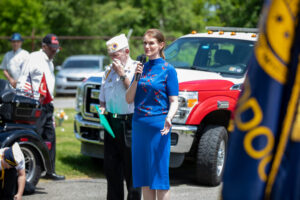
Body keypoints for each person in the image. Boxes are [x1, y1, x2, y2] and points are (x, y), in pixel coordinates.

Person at [126, 29, 179, 200]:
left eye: (151, 43)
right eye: (145, 43)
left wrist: (169, 118)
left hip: (159, 126)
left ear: (161, 45)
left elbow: (174, 101)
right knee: (145, 177)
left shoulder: (168, 70)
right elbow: (129, 99)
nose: (147, 46)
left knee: (159, 176)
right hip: (139, 125)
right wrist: (136, 77)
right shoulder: (140, 68)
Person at [16, 34, 65, 181]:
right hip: (35, 104)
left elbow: (49, 85)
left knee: (50, 137)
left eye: (56, 49)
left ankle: (50, 170)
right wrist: (24, 100)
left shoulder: (50, 62)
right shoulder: (34, 57)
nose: (54, 51)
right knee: (33, 136)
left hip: (47, 105)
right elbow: (23, 79)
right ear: (44, 47)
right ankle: (28, 170)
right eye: (52, 49)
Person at [99, 34, 141, 200]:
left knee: (132, 173)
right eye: (111, 56)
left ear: (127, 52)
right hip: (111, 123)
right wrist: (102, 113)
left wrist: (122, 73)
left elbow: (136, 94)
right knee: (112, 170)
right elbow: (102, 101)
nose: (113, 59)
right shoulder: (108, 72)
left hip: (129, 124)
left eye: (116, 55)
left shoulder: (137, 68)